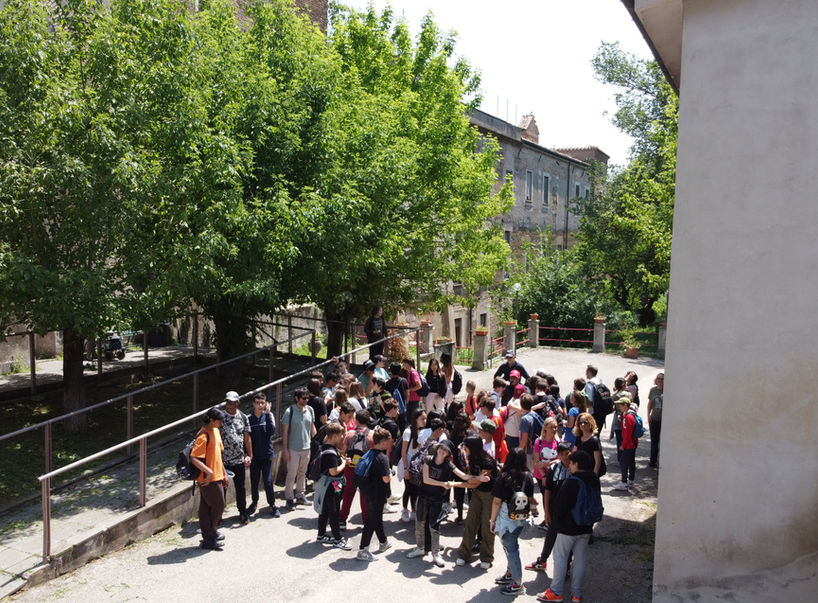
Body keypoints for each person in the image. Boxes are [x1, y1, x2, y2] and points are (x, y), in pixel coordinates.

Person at [537, 451, 601, 602]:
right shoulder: (594, 480)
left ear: (576, 464)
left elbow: (559, 508)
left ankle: (556, 591)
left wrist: (555, 520)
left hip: (567, 528)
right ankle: (577, 595)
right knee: (580, 560)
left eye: (571, 463)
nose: (569, 466)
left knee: (560, 558)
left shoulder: (571, 482)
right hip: (586, 526)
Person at [491, 448, 538, 596]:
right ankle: (510, 573)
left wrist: (492, 520)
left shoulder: (503, 477)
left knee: (511, 550)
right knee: (510, 546)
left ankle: (518, 584)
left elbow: (496, 502)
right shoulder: (528, 477)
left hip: (506, 519)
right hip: (521, 517)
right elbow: (529, 498)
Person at [527, 442, 573, 573]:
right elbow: (547, 491)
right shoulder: (554, 469)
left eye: (567, 453)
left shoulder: (575, 468)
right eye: (562, 454)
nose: (565, 457)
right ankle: (542, 561)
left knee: (568, 541)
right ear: (558, 455)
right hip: (555, 510)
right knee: (551, 535)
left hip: (570, 512)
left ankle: (566, 568)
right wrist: (547, 511)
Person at [456, 435, 500, 569]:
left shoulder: (488, 462)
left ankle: (486, 557)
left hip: (490, 495)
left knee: (487, 526)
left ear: (472, 448)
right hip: (477, 493)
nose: (464, 450)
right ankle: (463, 554)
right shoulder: (471, 458)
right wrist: (469, 479)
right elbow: (473, 480)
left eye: (466, 448)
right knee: (471, 522)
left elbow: (474, 482)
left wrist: (456, 483)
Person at [190, 407, 229, 550]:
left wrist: (224, 473)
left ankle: (209, 534)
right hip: (207, 479)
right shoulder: (203, 435)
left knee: (206, 507)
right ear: (211, 420)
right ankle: (209, 534)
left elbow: (218, 455)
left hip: (217, 475)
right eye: (219, 421)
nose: (221, 424)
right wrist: (209, 472)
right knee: (219, 505)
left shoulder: (216, 431)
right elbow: (194, 458)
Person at [356, 427, 395, 561]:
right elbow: (386, 479)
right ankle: (363, 550)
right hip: (377, 493)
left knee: (376, 517)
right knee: (371, 520)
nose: (390, 443)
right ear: (383, 442)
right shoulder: (382, 458)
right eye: (389, 441)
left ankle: (383, 542)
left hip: (367, 491)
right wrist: (391, 473)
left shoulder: (369, 453)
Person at [314, 422, 352, 550]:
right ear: (335, 436)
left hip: (326, 484)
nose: (343, 438)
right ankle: (338, 539)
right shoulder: (331, 453)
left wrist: (342, 460)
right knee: (334, 511)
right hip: (333, 484)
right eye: (341, 435)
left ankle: (321, 535)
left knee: (324, 509)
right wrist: (344, 464)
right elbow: (334, 472)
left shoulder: (325, 447)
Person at [219, 391, 253, 525]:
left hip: (239, 459)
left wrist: (249, 455)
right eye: (228, 402)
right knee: (221, 489)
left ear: (237, 403)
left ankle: (242, 512)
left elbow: (247, 438)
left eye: (232, 402)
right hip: (223, 460)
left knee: (241, 488)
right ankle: (218, 515)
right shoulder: (220, 417)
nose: (229, 405)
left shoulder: (243, 417)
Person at [247, 392, 280, 518]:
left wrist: (267, 414)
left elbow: (272, 431)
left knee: (268, 481)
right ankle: (254, 503)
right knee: (254, 481)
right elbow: (246, 438)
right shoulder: (248, 418)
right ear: (253, 404)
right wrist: (248, 454)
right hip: (254, 456)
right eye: (258, 403)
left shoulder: (269, 415)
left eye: (262, 403)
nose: (260, 405)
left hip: (267, 455)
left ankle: (272, 504)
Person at [282, 387, 316, 509]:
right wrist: (285, 450)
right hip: (293, 448)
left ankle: (300, 495)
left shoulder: (310, 410)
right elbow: (285, 433)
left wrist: (318, 441)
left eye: (308, 398)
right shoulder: (289, 411)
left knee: (302, 473)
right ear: (297, 398)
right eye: (303, 398)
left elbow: (312, 428)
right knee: (291, 474)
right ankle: (289, 498)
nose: (306, 400)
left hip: (307, 447)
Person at [339, 410, 372, 529]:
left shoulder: (350, 434)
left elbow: (343, 452)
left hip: (350, 468)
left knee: (348, 493)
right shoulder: (371, 435)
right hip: (365, 470)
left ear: (356, 420)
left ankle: (342, 520)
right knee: (365, 495)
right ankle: (366, 520)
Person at [399, 409, 427, 522]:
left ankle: (414, 511)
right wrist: (406, 469)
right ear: (416, 419)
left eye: (425, 419)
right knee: (408, 489)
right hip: (407, 463)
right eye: (422, 419)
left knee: (416, 488)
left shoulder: (421, 431)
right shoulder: (408, 431)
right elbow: (403, 451)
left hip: (417, 464)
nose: (425, 421)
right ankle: (405, 510)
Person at [613, 399, 639, 491]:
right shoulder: (629, 415)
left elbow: (628, 433)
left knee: (623, 462)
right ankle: (631, 480)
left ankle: (624, 482)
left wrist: (623, 445)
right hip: (632, 444)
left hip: (628, 445)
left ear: (625, 405)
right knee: (631, 462)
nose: (619, 407)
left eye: (620, 405)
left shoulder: (628, 417)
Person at [518, 394, 546, 471]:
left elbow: (524, 440)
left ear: (521, 405)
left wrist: (519, 451)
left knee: (529, 471)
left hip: (529, 451)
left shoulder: (525, 419)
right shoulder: (535, 415)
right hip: (537, 448)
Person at [572, 413, 604, 477]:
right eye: (580, 423)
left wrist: (594, 476)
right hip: (581, 471)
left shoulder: (594, 440)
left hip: (591, 472)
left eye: (585, 423)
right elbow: (574, 452)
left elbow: (597, 462)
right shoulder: (579, 438)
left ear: (590, 423)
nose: (582, 425)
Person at [647, 372, 663, 468]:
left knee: (664, 441)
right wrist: (648, 415)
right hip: (654, 419)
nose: (660, 380)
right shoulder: (653, 390)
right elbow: (650, 403)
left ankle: (663, 461)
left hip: (664, 421)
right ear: (656, 380)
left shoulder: (668, 390)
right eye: (658, 378)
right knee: (654, 441)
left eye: (662, 379)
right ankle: (653, 461)